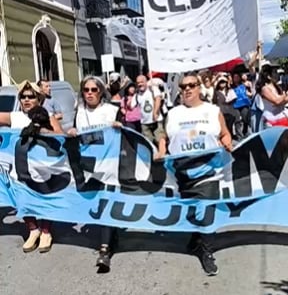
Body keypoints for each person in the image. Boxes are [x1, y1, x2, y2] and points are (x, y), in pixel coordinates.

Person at [157, 72, 232, 276]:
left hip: (209, 171)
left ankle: (207, 253)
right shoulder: (173, 113)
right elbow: (163, 136)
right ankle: (195, 239)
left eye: (191, 85)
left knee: (205, 212)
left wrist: (227, 142)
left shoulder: (212, 110)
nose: (187, 89)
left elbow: (225, 134)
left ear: (200, 87)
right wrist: (161, 150)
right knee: (191, 211)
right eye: (183, 87)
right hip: (183, 172)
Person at [0, 80, 62, 253]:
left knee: (43, 198)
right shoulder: (15, 117)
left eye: (31, 97)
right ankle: (33, 230)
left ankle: (45, 231)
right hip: (20, 168)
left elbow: (60, 136)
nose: (27, 100)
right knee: (22, 199)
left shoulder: (47, 116)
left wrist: (41, 130)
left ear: (38, 99)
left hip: (42, 168)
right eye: (23, 97)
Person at [67, 76, 122, 272]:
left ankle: (104, 251)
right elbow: (75, 136)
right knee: (98, 204)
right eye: (86, 90)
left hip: (110, 166)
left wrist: (120, 127)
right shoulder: (79, 112)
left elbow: (128, 136)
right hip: (89, 168)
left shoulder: (112, 111)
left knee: (106, 204)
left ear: (101, 92)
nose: (89, 93)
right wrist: (72, 131)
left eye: (94, 90)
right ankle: (113, 233)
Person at [131, 75, 166, 149]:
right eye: (138, 83)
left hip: (156, 120)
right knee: (148, 142)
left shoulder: (152, 89)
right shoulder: (137, 95)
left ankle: (162, 154)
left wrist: (155, 112)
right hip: (145, 123)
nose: (140, 84)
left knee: (160, 139)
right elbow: (131, 106)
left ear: (146, 82)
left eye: (142, 82)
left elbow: (158, 99)